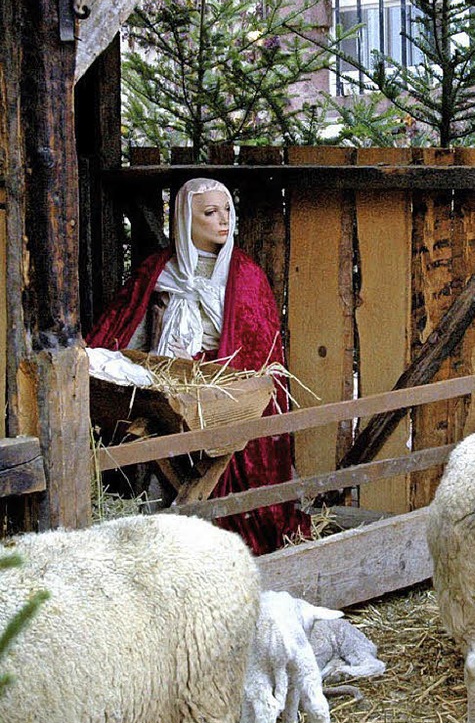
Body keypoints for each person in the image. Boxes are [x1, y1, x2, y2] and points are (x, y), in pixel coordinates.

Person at [87, 177, 311, 555]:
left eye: (227, 210)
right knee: (160, 445)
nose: (223, 220)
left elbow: (257, 349)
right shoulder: (158, 272)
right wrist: (147, 358)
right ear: (184, 219)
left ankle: (221, 528)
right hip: (167, 385)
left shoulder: (245, 277)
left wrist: (206, 365)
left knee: (220, 446)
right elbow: (125, 331)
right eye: (210, 212)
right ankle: (170, 533)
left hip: (222, 389)